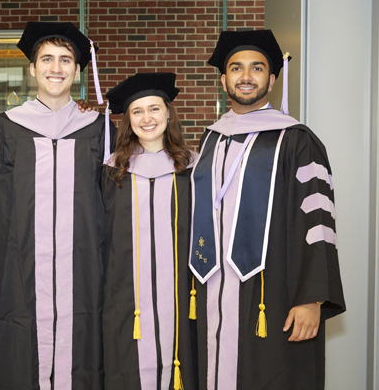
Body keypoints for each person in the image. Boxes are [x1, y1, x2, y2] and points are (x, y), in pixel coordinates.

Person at [189, 29, 346, 389]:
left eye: (256, 68)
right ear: (224, 78)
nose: (246, 76)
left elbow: (319, 220)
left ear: (271, 79)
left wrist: (313, 298)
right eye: (236, 68)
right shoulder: (211, 138)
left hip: (273, 290)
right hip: (213, 286)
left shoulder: (296, 139)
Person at [0, 21, 114, 389]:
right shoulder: (5, 128)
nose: (56, 68)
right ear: (32, 68)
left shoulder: (99, 131)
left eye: (66, 60)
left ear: (77, 70)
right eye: (47, 59)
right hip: (19, 273)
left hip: (85, 273)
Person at [102, 72, 197, 390]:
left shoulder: (193, 169)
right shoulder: (112, 171)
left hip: (182, 292)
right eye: (137, 111)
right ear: (128, 119)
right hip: (126, 295)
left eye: (154, 108)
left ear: (168, 113)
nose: (147, 118)